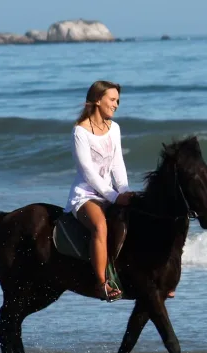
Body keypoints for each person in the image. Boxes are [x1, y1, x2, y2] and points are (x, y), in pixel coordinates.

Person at [65, 80, 133, 301]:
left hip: (110, 192)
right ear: (97, 100)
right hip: (85, 195)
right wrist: (114, 196)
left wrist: (124, 192)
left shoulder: (114, 128)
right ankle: (101, 283)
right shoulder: (80, 132)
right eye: (112, 100)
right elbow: (88, 172)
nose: (116, 105)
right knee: (100, 225)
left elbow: (117, 164)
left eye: (118, 101)